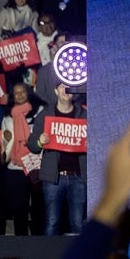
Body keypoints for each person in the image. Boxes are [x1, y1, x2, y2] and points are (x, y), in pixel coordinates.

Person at [26, 83, 86, 235]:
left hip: (78, 177)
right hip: (54, 178)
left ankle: (79, 258)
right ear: (55, 91)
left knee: (78, 223)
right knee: (52, 222)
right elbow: (32, 145)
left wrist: (92, 143)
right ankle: (48, 257)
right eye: (62, 87)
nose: (66, 91)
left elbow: (100, 143)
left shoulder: (85, 115)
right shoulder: (45, 115)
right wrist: (40, 140)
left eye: (69, 88)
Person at [1, 82, 44, 235]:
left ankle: (39, 242)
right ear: (12, 97)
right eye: (16, 93)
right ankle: (21, 242)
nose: (19, 95)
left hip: (36, 166)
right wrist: (5, 144)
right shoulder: (8, 117)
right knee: (19, 209)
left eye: (22, 92)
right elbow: (5, 143)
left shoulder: (40, 112)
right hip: (16, 168)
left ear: (28, 93)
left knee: (38, 208)